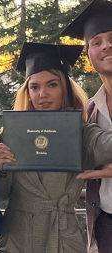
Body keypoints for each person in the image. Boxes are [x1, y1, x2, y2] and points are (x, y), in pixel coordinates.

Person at [0, 42, 112, 253]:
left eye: (52, 85)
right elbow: (1, 195)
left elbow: (107, 145)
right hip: (15, 239)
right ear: (27, 92)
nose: (42, 94)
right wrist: (0, 168)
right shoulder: (11, 133)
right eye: (35, 87)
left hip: (62, 237)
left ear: (65, 88)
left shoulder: (82, 133)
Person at [61, 1, 112, 252]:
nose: (106, 46)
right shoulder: (91, 110)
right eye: (97, 41)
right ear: (88, 52)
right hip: (106, 228)